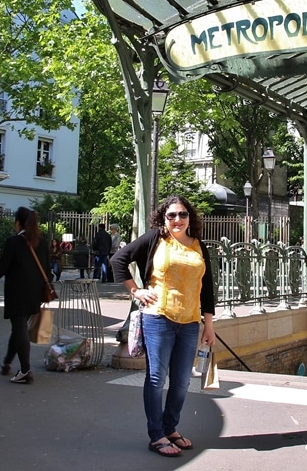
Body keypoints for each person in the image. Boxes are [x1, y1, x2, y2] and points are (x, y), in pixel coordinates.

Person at [111, 195, 216, 457]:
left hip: (190, 322)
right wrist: (136, 291)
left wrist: (209, 324)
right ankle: (156, 435)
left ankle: (171, 429)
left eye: (182, 214)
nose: (177, 220)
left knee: (181, 382)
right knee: (157, 378)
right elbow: (118, 260)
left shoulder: (198, 246)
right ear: (163, 218)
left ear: (190, 217)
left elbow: (207, 288)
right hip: (158, 317)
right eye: (171, 215)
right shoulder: (155, 239)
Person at [0, 206, 51, 383]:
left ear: (18, 223)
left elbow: (2, 269)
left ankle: (26, 370)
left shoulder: (13, 242)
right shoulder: (42, 242)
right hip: (35, 293)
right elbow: (48, 270)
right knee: (19, 328)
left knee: (19, 328)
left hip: (17, 293)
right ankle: (6, 363)